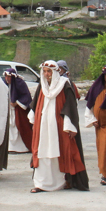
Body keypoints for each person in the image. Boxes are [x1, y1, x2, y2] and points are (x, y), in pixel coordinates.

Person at [28, 60, 88, 193]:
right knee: (42, 152)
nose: (46, 74)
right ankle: (40, 183)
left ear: (55, 72)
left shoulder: (64, 85)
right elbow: (35, 103)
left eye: (49, 71)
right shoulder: (42, 86)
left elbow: (70, 107)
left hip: (58, 126)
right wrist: (33, 119)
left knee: (58, 152)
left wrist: (69, 126)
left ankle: (60, 182)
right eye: (44, 71)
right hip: (43, 126)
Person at [4, 68, 32, 154]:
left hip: (18, 110)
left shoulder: (20, 83)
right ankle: (10, 147)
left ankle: (21, 147)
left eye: (9, 77)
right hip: (8, 110)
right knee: (9, 128)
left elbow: (26, 96)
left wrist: (17, 103)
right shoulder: (4, 84)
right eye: (6, 77)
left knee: (19, 127)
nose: (7, 79)